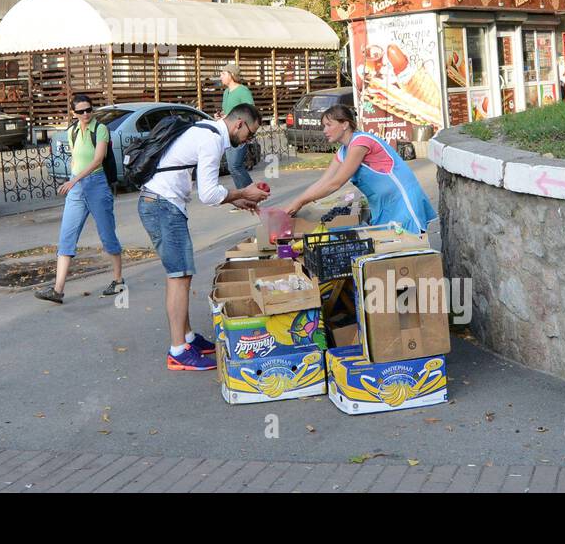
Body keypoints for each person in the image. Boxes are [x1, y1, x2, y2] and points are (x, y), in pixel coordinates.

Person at [138, 103, 269, 371]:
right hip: (162, 206)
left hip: (160, 203)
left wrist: (237, 201)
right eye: (250, 134)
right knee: (179, 276)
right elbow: (208, 194)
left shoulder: (206, 130)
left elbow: (204, 186)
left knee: (181, 274)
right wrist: (244, 193)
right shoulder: (211, 139)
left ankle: (186, 337)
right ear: (238, 124)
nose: (248, 141)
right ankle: (178, 351)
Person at [282, 104, 435, 233]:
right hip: (384, 207)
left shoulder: (361, 142)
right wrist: (295, 202)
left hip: (403, 204)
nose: (324, 130)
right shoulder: (343, 151)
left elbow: (335, 183)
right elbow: (323, 182)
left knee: (410, 252)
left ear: (345, 124)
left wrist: (301, 201)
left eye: (329, 125)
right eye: (324, 126)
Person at [36, 94, 124, 305]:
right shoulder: (73, 131)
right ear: (73, 113)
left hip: (96, 185)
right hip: (76, 190)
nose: (86, 114)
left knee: (107, 234)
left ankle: (118, 280)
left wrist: (74, 179)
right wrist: (73, 178)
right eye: (81, 111)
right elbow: (76, 157)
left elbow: (98, 159)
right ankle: (58, 290)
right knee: (67, 237)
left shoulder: (100, 129)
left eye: (89, 110)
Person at [217, 63, 255, 190]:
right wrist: (222, 116)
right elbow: (229, 112)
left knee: (235, 166)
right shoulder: (226, 92)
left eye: (223, 73)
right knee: (232, 167)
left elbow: (250, 111)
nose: (220, 76)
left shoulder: (242, 91)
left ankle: (252, 195)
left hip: (240, 133)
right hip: (228, 134)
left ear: (231, 75)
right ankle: (245, 196)